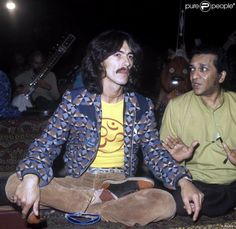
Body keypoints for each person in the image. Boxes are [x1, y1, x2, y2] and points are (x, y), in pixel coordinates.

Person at [5, 30, 203, 227]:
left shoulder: (141, 106)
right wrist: (31, 178)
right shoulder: (75, 101)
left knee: (165, 203)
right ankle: (101, 202)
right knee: (14, 183)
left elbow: (155, 152)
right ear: (100, 60)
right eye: (118, 55)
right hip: (78, 181)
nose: (126, 62)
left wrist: (183, 180)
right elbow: (47, 143)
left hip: (119, 180)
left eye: (130, 56)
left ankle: (76, 208)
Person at [160, 45, 236, 218]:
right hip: (197, 184)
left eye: (203, 69)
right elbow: (161, 161)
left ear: (221, 76)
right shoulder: (177, 107)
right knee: (174, 202)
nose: (194, 76)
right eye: (192, 69)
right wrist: (174, 157)